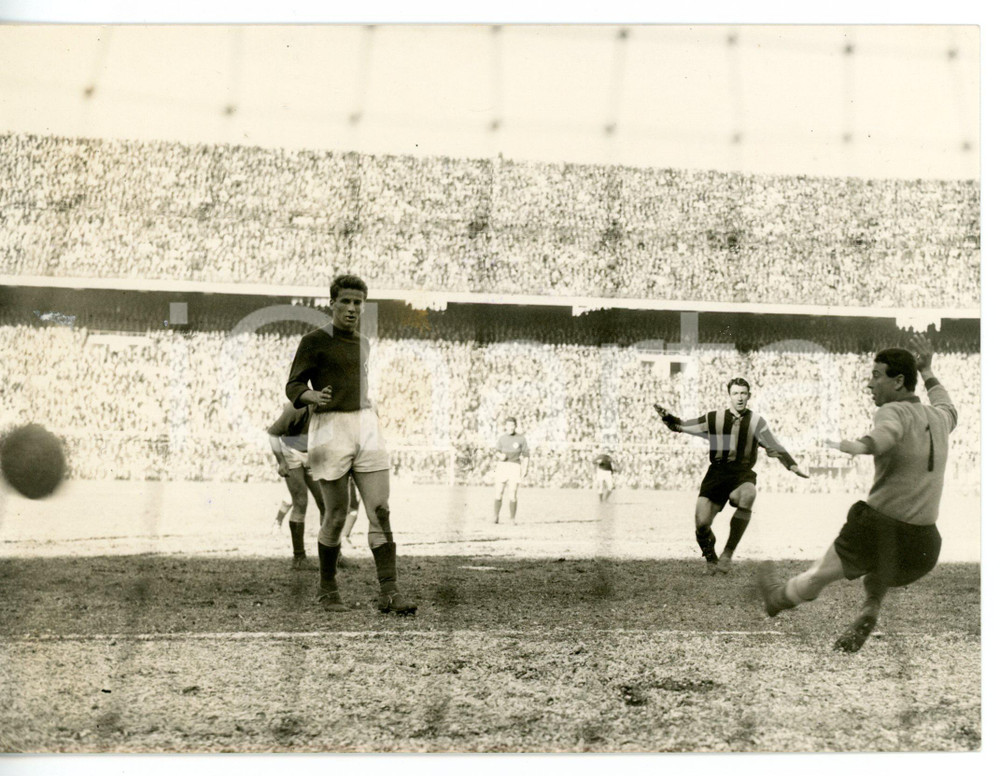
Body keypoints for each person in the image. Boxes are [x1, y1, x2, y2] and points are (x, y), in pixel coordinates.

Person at [757, 334, 957, 652]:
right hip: (924, 545)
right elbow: (947, 405)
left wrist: (859, 446)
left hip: (878, 528)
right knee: (878, 573)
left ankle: (777, 598)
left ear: (899, 381)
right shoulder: (940, 418)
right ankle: (870, 608)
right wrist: (928, 370)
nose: (869, 384)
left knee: (818, 576)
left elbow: (885, 435)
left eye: (876, 376)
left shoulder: (892, 411)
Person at [286, 274, 417, 615]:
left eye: (358, 303)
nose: (351, 308)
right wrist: (310, 395)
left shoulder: (363, 342)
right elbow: (293, 384)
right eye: (345, 301)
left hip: (365, 424)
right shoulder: (313, 340)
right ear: (331, 303)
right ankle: (327, 590)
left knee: (380, 511)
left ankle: (389, 593)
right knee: (336, 514)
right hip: (330, 429)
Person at [655, 378, 809, 575]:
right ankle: (711, 557)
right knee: (701, 524)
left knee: (749, 494)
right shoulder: (714, 419)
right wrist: (667, 417)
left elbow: (774, 445)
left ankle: (728, 553)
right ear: (729, 396)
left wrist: (793, 466)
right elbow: (682, 426)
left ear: (749, 396)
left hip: (742, 474)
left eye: (743, 393)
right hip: (717, 474)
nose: (740, 397)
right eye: (736, 393)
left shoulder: (756, 422)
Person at [267, 402, 325, 570]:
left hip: (314, 453)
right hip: (291, 452)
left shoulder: (332, 408)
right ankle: (299, 557)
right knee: (300, 502)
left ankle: (333, 555)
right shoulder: (296, 408)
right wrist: (281, 462)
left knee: (326, 504)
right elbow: (272, 434)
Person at [493, 417, 529, 523]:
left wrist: (525, 468)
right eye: (508, 425)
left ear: (515, 426)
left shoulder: (521, 439)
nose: (510, 427)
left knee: (513, 492)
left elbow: (526, 455)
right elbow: (496, 451)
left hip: (515, 466)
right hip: (502, 466)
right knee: (499, 491)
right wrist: (500, 456)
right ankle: (496, 516)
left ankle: (512, 518)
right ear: (505, 426)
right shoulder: (502, 438)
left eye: (512, 425)